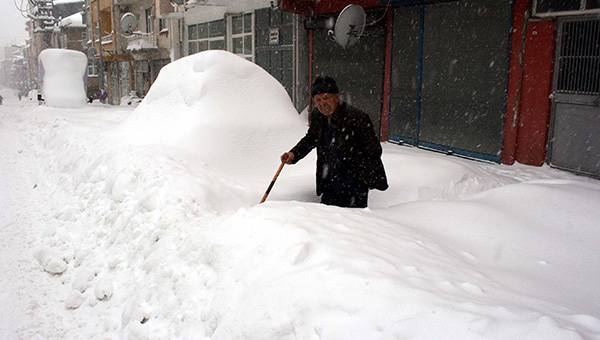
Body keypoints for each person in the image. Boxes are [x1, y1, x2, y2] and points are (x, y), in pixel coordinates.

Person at [281, 75, 388, 208]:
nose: (322, 103)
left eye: (326, 97)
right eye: (318, 99)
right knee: (328, 222)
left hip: (353, 186)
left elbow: (374, 150)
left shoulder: (356, 118)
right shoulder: (318, 116)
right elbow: (311, 138)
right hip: (329, 182)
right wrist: (294, 154)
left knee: (351, 224)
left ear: (337, 96)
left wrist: (363, 178)